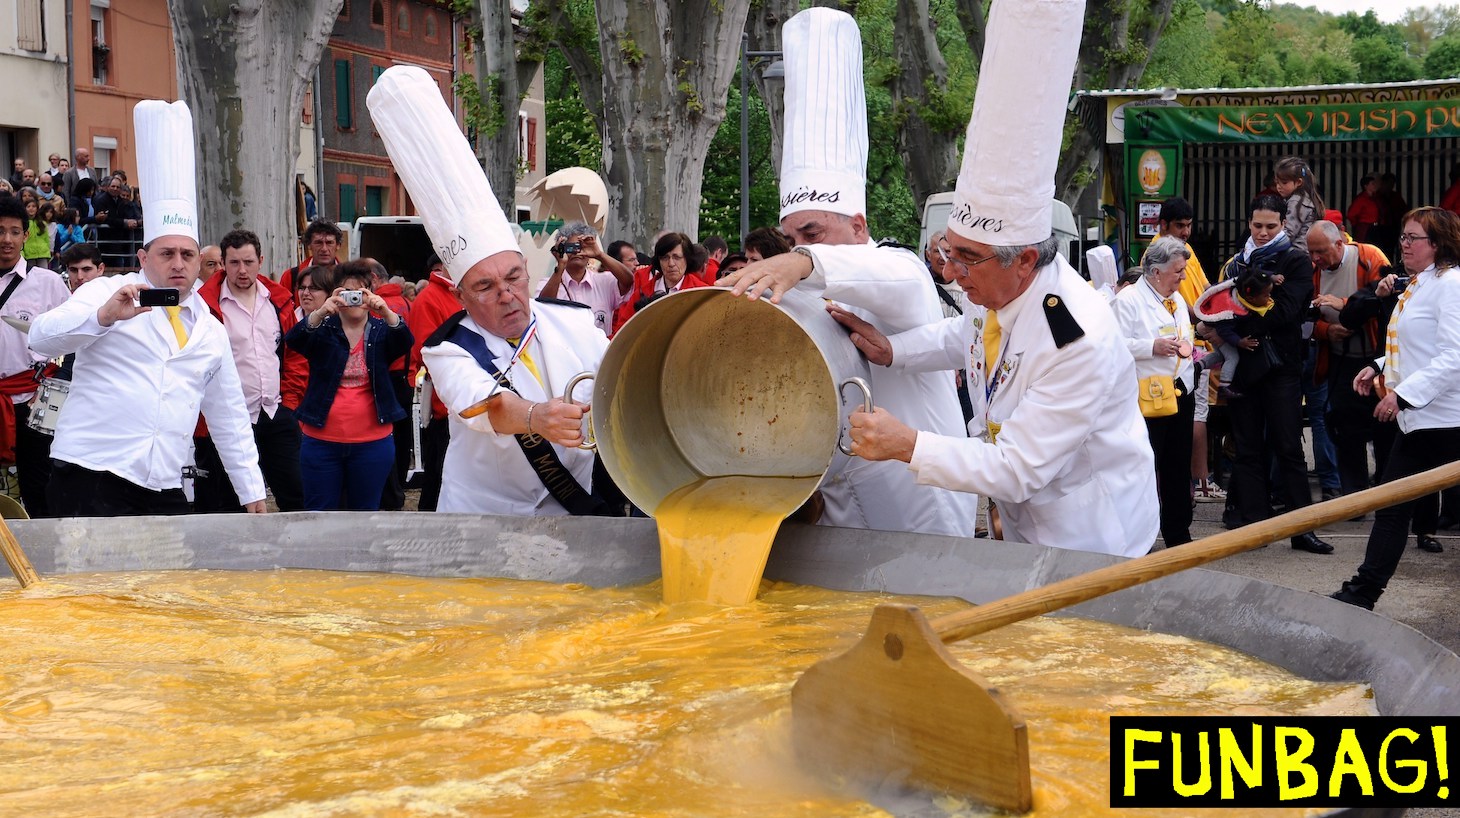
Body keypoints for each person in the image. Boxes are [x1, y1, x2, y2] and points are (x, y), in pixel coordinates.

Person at [731, 1, 1120, 547]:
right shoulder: (996, 297)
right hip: (869, 491)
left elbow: (1018, 469)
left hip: (1085, 532)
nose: (953, 275)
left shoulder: (1074, 335)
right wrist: (893, 352)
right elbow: (961, 335)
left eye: (968, 259)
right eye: (951, 253)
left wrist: (907, 444)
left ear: (1026, 260)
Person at [719, 7, 978, 539]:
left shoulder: (899, 271)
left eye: (813, 234)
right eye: (790, 239)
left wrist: (803, 261)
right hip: (835, 506)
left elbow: (891, 275)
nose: (798, 249)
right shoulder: (806, 290)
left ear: (858, 224)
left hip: (918, 509)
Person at [370, 64, 608, 516]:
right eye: (486, 285)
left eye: (514, 277)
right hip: (483, 516)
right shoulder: (447, 350)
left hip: (569, 511)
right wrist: (537, 417)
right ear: (460, 294)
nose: (507, 293)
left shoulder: (576, 322)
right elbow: (492, 408)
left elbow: (622, 378)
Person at [29, 99, 266, 517]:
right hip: (92, 476)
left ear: (199, 261)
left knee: (167, 585)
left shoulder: (209, 328)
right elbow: (42, 336)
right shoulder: (107, 292)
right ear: (143, 257)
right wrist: (102, 318)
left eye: (187, 255)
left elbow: (228, 415)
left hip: (165, 481)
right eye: (167, 253)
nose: (178, 264)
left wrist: (253, 492)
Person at [1332, 207, 1460, 610]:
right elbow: (1414, 349)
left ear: (1437, 245)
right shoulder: (1420, 284)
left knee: (1393, 507)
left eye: (1412, 238)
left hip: (1445, 419)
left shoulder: (1451, 285)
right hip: (1421, 418)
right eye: (1403, 237)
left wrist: (1401, 395)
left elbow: (1453, 356)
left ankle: (1362, 593)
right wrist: (1377, 367)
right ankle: (1362, 593)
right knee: (1392, 508)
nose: (1403, 244)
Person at [1213, 193, 1332, 553]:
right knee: (1246, 450)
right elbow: (1218, 310)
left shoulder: (1295, 261)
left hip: (1281, 368)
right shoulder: (1235, 264)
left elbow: (1287, 314)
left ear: (1284, 225)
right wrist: (1241, 315)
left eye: (1270, 226)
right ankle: (1255, 527)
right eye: (1257, 226)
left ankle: (1302, 530)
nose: (1263, 233)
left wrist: (1241, 312)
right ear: (1248, 224)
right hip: (1245, 368)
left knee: (1289, 448)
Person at [192, 228, 305, 513]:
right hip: (228, 418)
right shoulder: (205, 305)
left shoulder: (278, 300)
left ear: (260, 260)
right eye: (234, 263)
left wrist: (289, 404)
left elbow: (295, 354)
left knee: (295, 493)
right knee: (225, 501)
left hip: (275, 411)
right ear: (223, 264)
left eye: (248, 262)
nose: (242, 270)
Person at [285, 260, 411, 511]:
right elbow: (295, 340)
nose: (354, 299)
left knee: (365, 513)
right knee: (319, 513)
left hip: (373, 442)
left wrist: (386, 311)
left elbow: (405, 341)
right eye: (346, 292)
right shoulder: (324, 329)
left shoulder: (380, 330)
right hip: (321, 441)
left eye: (360, 292)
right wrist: (321, 312)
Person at [1113, 236, 1196, 546]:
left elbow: (1184, 336)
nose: (1183, 277)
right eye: (1178, 271)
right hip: (1145, 397)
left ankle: (1178, 533)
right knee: (1144, 468)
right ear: (1156, 271)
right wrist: (1151, 346)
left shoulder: (1175, 301)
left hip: (1179, 392)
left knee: (1177, 465)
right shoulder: (1129, 300)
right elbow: (1112, 344)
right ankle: (1138, 536)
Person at [1306, 220, 1392, 498]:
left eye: (1320, 251)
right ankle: (1354, 495)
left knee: (1384, 427)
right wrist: (1327, 330)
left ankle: (1387, 491)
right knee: (1346, 429)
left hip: (1376, 361)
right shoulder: (1313, 272)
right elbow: (1307, 319)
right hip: (1341, 361)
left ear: (1339, 243)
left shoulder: (1369, 257)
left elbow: (1382, 301)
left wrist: (1342, 304)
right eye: (1311, 252)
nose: (1316, 258)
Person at [0, 195, 71, 516]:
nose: (6, 240)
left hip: (35, 397)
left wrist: (46, 393)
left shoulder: (49, 283)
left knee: (40, 481)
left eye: (15, 232)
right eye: (0, 231)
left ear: (26, 236)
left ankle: (45, 557)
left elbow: (69, 345)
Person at [1154, 196, 1224, 503]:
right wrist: (1210, 317)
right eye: (1179, 226)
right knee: (1193, 417)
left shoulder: (1187, 251)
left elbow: (1204, 290)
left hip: (1197, 340)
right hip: (1183, 347)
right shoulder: (1159, 254)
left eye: (1188, 226)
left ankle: (1195, 484)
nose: (1185, 232)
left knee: (1197, 416)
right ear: (1163, 225)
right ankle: (1199, 482)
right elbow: (1183, 305)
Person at [405, 252, 461, 511]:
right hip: (446, 407)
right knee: (439, 478)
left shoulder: (461, 293)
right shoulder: (430, 298)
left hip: (465, 404)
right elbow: (426, 351)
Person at [537, 221, 634, 337]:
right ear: (562, 249)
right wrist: (561, 265)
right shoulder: (549, 283)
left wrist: (599, 255)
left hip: (599, 352)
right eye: (571, 247)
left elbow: (628, 281)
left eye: (582, 247)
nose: (577, 252)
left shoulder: (604, 281)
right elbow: (543, 306)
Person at [1192, 268, 1275, 401]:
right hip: (1215, 330)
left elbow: (1253, 273)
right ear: (1250, 298)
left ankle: (1198, 366)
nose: (1269, 297)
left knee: (1220, 355)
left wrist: (1271, 276)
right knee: (1232, 357)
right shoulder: (1231, 309)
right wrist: (1239, 341)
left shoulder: (1242, 286)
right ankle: (1224, 387)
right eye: (1266, 295)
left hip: (1212, 327)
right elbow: (1224, 331)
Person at [613, 231, 712, 331]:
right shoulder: (642, 292)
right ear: (658, 261)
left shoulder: (701, 292)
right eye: (665, 258)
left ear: (687, 259)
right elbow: (622, 330)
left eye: (676, 257)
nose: (671, 263)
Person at [1272, 156, 1325, 253]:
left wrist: (1269, 247)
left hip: (1297, 253)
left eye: (1284, 182)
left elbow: (1289, 233)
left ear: (1298, 182)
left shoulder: (1296, 201)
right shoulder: (1306, 198)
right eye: (1277, 183)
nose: (1279, 187)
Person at [279, 219, 342, 292]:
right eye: (318, 243)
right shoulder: (291, 277)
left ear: (338, 245)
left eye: (329, 243)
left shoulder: (348, 277)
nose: (324, 249)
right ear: (309, 245)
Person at [1348, 174, 1382, 242]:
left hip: (1375, 227)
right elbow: (1351, 215)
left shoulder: (1376, 198)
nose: (1375, 185)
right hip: (1365, 228)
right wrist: (1358, 226)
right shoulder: (1361, 199)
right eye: (1372, 184)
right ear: (1366, 186)